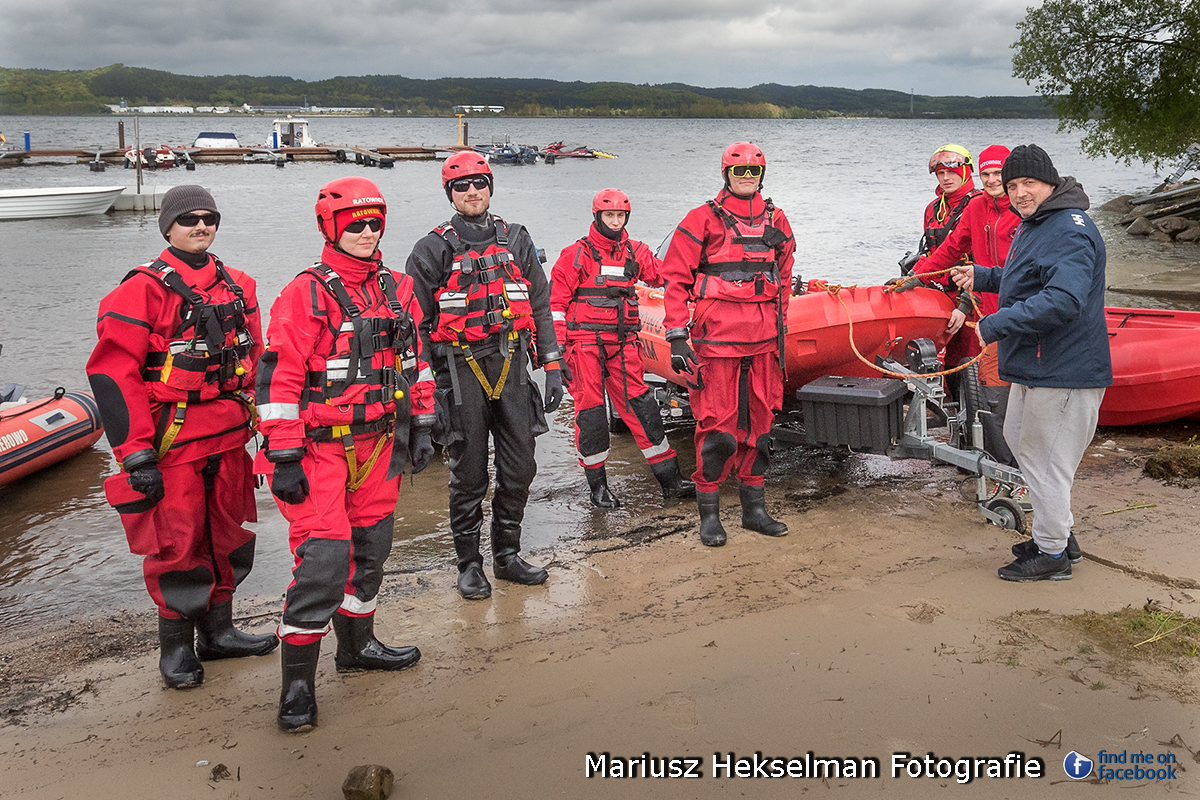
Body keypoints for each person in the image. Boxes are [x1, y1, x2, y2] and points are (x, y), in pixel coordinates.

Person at [255, 177, 433, 731]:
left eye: (375, 222)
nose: (366, 231)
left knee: (371, 552)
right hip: (318, 450)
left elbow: (416, 361)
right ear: (330, 228)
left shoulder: (400, 288)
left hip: (380, 443)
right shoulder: (304, 293)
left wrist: (424, 422)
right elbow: (278, 380)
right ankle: (298, 686)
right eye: (354, 224)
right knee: (323, 564)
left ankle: (358, 648)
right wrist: (282, 456)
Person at [86, 185, 278, 690]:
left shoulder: (239, 285)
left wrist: (273, 429)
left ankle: (218, 634)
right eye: (189, 218)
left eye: (209, 218)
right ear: (167, 226)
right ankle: (175, 648)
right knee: (177, 543)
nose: (201, 226)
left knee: (227, 536)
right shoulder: (139, 290)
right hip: (172, 443)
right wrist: (134, 455)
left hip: (230, 437)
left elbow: (256, 363)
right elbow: (112, 374)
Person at [405, 151, 564, 599]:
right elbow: (414, 324)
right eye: (461, 186)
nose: (472, 191)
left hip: (512, 365)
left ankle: (507, 555)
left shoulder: (516, 238)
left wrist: (551, 366)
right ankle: (469, 565)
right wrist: (425, 386)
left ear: (491, 186)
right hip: (459, 371)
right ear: (450, 194)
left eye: (479, 183)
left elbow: (540, 303)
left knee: (521, 466)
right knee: (468, 473)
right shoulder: (431, 248)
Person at [952, 144, 1111, 582]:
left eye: (1029, 183)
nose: (1020, 192)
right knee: (1021, 441)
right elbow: (1032, 278)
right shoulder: (1039, 222)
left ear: (1051, 182)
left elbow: (1063, 299)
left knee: (1045, 462)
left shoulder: (1070, 229)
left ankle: (1054, 555)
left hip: (1065, 369)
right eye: (1013, 185)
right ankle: (1057, 536)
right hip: (1037, 365)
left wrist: (996, 324)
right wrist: (983, 276)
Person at [660, 141, 795, 547]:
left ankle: (754, 510)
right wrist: (676, 336)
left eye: (754, 173)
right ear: (726, 174)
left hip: (763, 342)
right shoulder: (702, 219)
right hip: (716, 342)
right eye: (740, 172)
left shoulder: (778, 220)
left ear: (762, 176)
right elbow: (674, 279)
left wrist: (781, 325)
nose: (747, 178)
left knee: (761, 426)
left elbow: (784, 276)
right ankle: (710, 513)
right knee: (717, 429)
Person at [550, 188, 696, 508]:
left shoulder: (636, 252)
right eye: (609, 216)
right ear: (597, 217)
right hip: (584, 347)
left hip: (623, 346)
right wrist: (555, 353)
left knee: (644, 411)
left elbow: (663, 277)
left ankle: (671, 482)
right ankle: (598, 488)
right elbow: (555, 305)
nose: (615, 222)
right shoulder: (576, 254)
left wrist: (698, 275)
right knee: (591, 418)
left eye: (620, 216)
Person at [912, 145, 1023, 468]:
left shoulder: (1024, 211)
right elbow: (949, 249)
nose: (990, 180)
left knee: (1023, 395)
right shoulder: (973, 209)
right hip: (989, 315)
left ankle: (1024, 467)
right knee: (992, 397)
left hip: (1020, 314)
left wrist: (964, 302)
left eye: (997, 174)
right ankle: (1002, 468)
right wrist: (916, 277)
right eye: (986, 174)